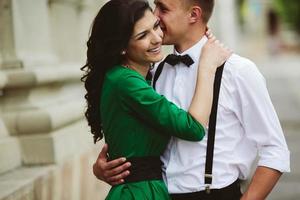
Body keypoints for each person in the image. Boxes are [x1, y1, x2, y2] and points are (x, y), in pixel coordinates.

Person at [94, 0, 291, 199]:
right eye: (155, 6)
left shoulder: (238, 71)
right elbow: (133, 134)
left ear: (194, 15)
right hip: (159, 193)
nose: (155, 15)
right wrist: (104, 168)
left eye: (163, 8)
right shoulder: (153, 70)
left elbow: (275, 150)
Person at [81, 0, 230, 199]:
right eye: (143, 35)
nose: (157, 38)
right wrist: (207, 67)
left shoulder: (133, 76)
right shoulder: (126, 82)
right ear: (122, 47)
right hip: (139, 193)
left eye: (156, 26)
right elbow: (192, 128)